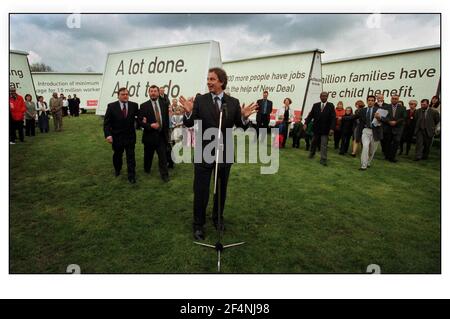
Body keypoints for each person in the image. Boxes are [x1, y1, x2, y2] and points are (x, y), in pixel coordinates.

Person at [179, 67, 257, 240]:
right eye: (208, 79)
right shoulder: (200, 100)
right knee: (201, 190)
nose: (209, 82)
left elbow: (241, 126)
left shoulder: (233, 102)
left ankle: (218, 218)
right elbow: (190, 122)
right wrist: (188, 111)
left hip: (225, 152)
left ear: (222, 81)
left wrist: (244, 117)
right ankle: (198, 225)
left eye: (212, 79)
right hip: (204, 151)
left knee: (221, 189)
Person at [103, 87, 139, 184]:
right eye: (123, 94)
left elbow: (139, 119)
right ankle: (117, 170)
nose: (125, 96)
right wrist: (108, 135)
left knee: (131, 157)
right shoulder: (111, 106)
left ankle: (131, 176)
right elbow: (107, 123)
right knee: (117, 156)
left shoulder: (134, 105)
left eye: (127, 94)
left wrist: (143, 122)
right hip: (117, 137)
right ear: (118, 96)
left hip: (130, 137)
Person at [138, 85, 170, 182]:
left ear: (158, 92)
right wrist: (150, 125)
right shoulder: (144, 106)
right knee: (148, 156)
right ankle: (147, 169)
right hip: (149, 136)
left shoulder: (164, 104)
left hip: (161, 136)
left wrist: (167, 132)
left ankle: (165, 175)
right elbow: (140, 122)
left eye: (155, 91)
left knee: (163, 157)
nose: (153, 93)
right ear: (149, 93)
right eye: (151, 91)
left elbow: (166, 119)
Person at [304, 92, 336, 166]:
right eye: (322, 96)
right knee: (313, 142)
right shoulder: (315, 105)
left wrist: (332, 128)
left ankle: (323, 159)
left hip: (325, 129)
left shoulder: (331, 105)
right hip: (316, 128)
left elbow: (333, 118)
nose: (324, 97)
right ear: (320, 97)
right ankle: (312, 154)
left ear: (327, 97)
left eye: (325, 96)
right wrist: (306, 123)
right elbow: (310, 115)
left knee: (324, 144)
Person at [357, 95, 384, 170]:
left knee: (372, 150)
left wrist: (379, 118)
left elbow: (385, 121)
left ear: (374, 101)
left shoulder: (379, 110)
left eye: (372, 100)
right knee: (365, 147)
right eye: (369, 100)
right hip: (366, 130)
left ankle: (368, 162)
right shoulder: (363, 110)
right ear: (367, 101)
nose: (370, 102)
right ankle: (363, 165)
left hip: (376, 132)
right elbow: (355, 117)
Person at [382, 94, 407, 163]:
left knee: (396, 142)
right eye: (393, 98)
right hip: (388, 127)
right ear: (391, 99)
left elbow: (404, 117)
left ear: (398, 99)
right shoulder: (386, 107)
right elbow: (383, 117)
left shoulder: (403, 108)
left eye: (396, 99)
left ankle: (392, 157)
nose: (394, 100)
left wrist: (396, 122)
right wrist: (389, 121)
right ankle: (387, 156)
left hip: (398, 128)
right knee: (388, 142)